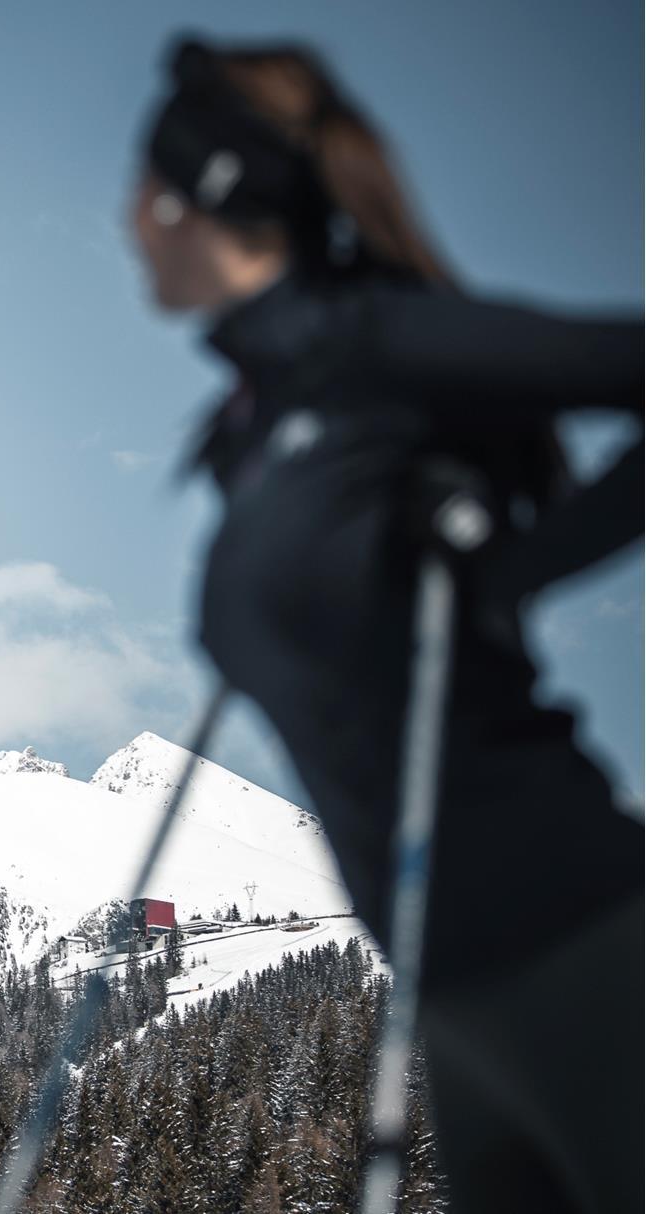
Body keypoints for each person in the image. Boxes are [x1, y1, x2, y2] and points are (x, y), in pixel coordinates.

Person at [129, 35, 644, 1212]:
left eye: (136, 192)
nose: (125, 224)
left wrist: (510, 574)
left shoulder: (370, 342)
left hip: (587, 943)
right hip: (453, 999)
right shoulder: (248, 433)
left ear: (191, 195)